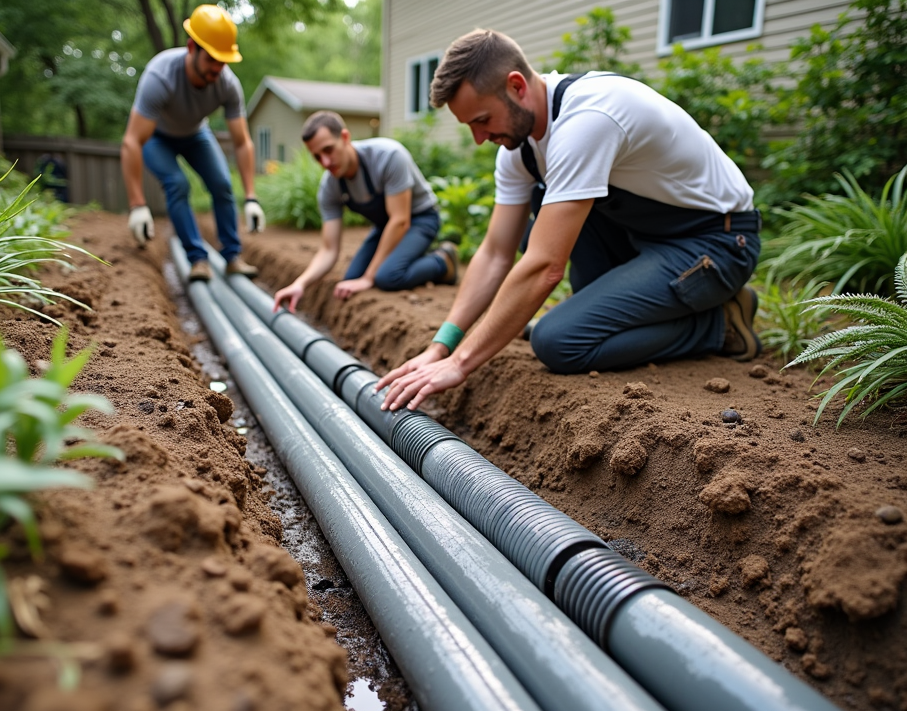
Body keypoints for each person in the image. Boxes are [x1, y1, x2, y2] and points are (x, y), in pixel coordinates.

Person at [379, 29, 762, 412]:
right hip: (647, 238)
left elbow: (545, 266)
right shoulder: (519, 150)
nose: (479, 138)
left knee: (558, 341)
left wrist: (459, 365)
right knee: (544, 204)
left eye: (482, 120)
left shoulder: (589, 118)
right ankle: (644, 312)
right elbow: (496, 253)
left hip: (716, 245)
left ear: (516, 86)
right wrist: (441, 345)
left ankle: (721, 324)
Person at [121, 4, 265, 283]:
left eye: (223, 61)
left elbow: (242, 142)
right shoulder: (160, 76)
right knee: (177, 184)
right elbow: (132, 141)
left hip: (196, 135)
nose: (218, 68)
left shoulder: (227, 84)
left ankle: (232, 257)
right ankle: (198, 259)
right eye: (212, 59)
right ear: (191, 47)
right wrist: (137, 205)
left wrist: (251, 197)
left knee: (222, 184)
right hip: (157, 138)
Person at [272, 111, 458, 312]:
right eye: (317, 156)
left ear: (345, 138)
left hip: (420, 219)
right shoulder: (330, 187)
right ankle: (409, 256)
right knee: (351, 279)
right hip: (386, 226)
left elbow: (400, 220)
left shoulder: (388, 156)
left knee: (387, 277)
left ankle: (443, 261)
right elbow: (329, 250)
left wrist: (369, 277)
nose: (325, 162)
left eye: (328, 150)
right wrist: (300, 284)